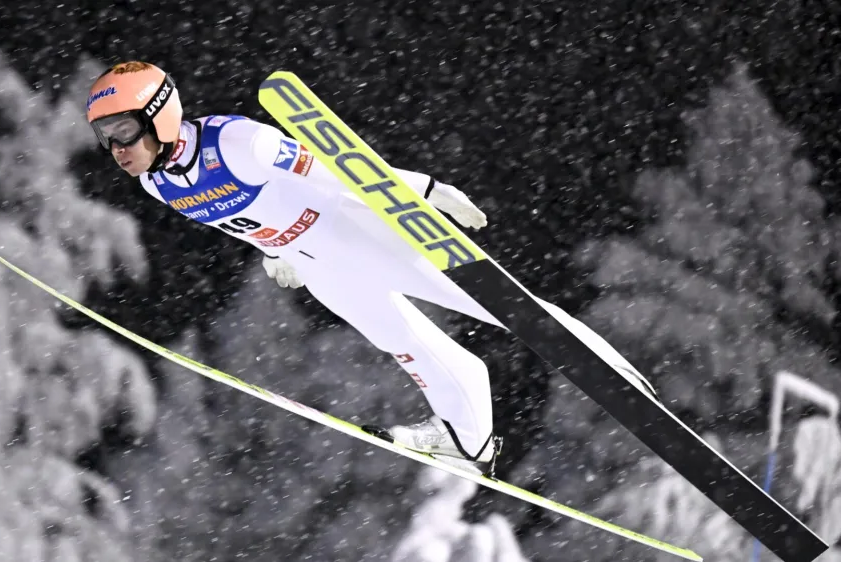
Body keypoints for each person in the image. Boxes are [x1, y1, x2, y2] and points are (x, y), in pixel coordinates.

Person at [86, 61, 655, 476]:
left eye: (123, 130)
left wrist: (423, 190)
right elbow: (241, 214)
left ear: (159, 115)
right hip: (319, 264)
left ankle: (620, 378)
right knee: (405, 345)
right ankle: (468, 438)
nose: (116, 148)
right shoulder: (156, 182)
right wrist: (277, 252)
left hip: (358, 230)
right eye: (105, 138)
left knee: (500, 306)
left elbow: (336, 169)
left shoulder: (238, 142)